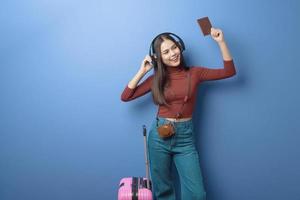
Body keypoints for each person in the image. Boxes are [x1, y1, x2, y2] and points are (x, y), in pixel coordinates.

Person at [121, 27, 236, 200]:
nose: (173, 53)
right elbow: (126, 96)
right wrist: (142, 71)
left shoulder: (195, 73)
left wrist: (221, 42)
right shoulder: (156, 79)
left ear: (180, 47)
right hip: (159, 137)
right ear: (158, 57)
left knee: (197, 194)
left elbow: (229, 71)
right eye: (166, 52)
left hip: (185, 138)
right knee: (163, 191)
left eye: (174, 48)